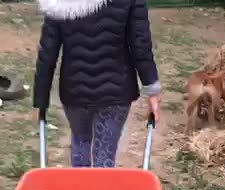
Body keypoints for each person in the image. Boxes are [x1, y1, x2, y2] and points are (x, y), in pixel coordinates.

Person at [32, 0, 161, 168]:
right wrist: (152, 89)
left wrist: (40, 100)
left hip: (74, 90)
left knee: (80, 142)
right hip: (116, 90)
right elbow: (140, 43)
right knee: (104, 156)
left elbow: (48, 50)